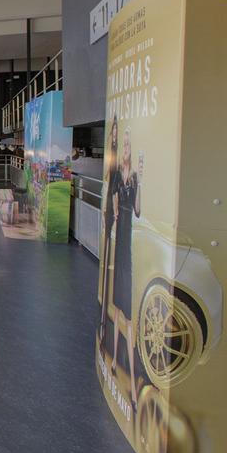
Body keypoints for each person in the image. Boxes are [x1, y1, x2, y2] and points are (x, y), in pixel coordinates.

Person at [110, 128, 143, 403]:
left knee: (128, 311)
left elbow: (138, 210)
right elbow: (115, 210)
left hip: (128, 242)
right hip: (120, 240)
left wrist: (140, 182)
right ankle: (113, 361)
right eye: (125, 145)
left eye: (129, 145)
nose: (126, 149)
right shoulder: (117, 179)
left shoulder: (133, 179)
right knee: (119, 308)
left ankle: (131, 378)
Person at [99, 117, 120, 345]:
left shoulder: (122, 169)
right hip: (111, 215)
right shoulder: (111, 165)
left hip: (119, 219)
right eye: (112, 134)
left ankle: (110, 330)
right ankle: (106, 325)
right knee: (108, 267)